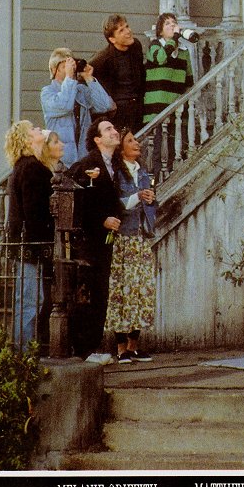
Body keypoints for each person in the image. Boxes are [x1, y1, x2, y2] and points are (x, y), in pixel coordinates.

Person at [68, 118, 123, 362]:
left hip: (105, 242)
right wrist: (101, 220)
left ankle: (93, 346)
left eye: (114, 128)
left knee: (101, 292)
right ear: (97, 139)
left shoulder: (116, 165)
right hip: (88, 242)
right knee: (87, 292)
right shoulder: (88, 164)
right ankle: (82, 349)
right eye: (108, 129)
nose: (115, 132)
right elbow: (78, 202)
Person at [105, 128, 157, 364]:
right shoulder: (117, 173)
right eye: (130, 140)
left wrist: (151, 200)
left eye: (136, 140)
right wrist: (139, 196)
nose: (136, 143)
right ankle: (121, 347)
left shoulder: (143, 173)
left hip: (140, 239)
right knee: (121, 292)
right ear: (121, 148)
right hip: (123, 240)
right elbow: (118, 203)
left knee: (141, 291)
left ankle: (135, 345)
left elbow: (150, 206)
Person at [5, 120, 54, 351]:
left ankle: (25, 350)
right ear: (26, 139)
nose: (39, 130)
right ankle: (24, 353)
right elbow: (34, 210)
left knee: (29, 300)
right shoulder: (32, 168)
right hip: (30, 246)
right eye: (34, 129)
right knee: (30, 301)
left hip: (24, 244)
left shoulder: (23, 166)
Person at [41, 48, 115, 168]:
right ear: (56, 69)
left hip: (83, 157)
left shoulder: (80, 91)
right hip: (61, 159)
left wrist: (89, 78)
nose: (72, 67)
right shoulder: (47, 92)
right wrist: (69, 78)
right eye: (67, 64)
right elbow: (65, 105)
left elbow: (105, 106)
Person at [143, 12, 194, 175]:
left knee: (174, 147)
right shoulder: (155, 46)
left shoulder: (184, 52)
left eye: (174, 23)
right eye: (167, 24)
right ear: (160, 31)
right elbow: (161, 58)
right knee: (158, 149)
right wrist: (175, 38)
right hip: (157, 108)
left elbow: (189, 79)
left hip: (175, 107)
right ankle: (157, 180)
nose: (172, 25)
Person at [90, 15, 145, 134]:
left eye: (127, 26)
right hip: (119, 114)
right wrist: (108, 101)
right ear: (112, 39)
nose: (128, 31)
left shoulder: (136, 46)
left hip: (137, 109)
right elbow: (85, 75)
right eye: (121, 30)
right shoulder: (104, 58)